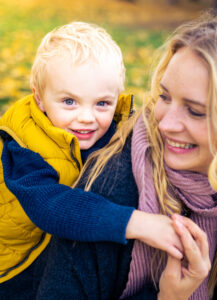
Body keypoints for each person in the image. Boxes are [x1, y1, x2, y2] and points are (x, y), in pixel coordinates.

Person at [23, 12, 216, 300]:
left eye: (195, 110)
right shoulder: (108, 178)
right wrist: (134, 223)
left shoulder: (103, 132)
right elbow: (48, 204)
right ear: (39, 98)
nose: (164, 125)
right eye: (164, 97)